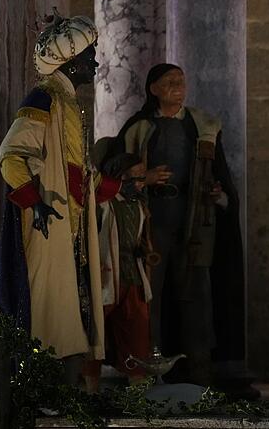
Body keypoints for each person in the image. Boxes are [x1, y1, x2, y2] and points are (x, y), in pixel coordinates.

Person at [0, 10, 127, 383]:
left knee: (72, 304)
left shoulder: (67, 102)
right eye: (90, 56)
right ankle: (40, 388)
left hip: (70, 222)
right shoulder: (43, 98)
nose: (96, 63)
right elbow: (11, 154)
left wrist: (117, 189)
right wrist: (33, 200)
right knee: (51, 306)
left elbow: (79, 171)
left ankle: (63, 389)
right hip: (49, 219)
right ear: (71, 62)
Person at [110, 63, 244, 386]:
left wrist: (216, 193)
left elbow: (220, 176)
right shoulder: (139, 127)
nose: (178, 86)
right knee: (149, 299)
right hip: (151, 225)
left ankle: (200, 375)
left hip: (193, 225)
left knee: (197, 298)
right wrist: (146, 177)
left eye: (182, 81)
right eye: (170, 81)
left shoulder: (202, 127)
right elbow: (115, 170)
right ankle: (146, 375)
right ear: (153, 88)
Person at [82, 141, 156, 392]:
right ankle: (90, 387)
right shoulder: (104, 204)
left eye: (142, 177)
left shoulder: (139, 206)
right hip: (106, 274)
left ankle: (137, 386)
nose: (141, 182)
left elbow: (140, 237)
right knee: (96, 333)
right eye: (136, 177)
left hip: (132, 275)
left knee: (136, 329)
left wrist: (144, 251)